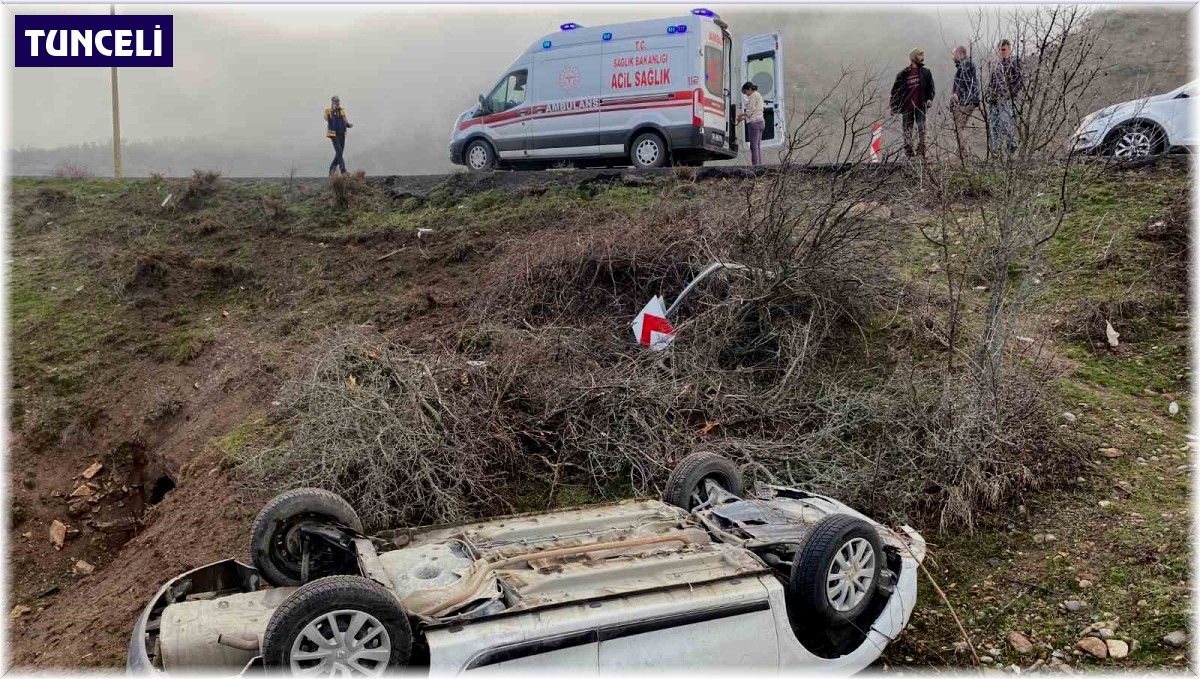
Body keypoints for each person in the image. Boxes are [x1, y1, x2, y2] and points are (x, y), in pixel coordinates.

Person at [889, 48, 935, 158]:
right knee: (907, 131)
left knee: (922, 129)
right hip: (907, 107)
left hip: (921, 105)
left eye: (923, 55)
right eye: (920, 55)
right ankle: (909, 155)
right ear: (913, 58)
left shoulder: (926, 72)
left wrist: (930, 99)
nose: (922, 58)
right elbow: (895, 91)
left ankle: (921, 153)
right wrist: (893, 106)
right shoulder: (902, 74)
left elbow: (931, 88)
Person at [985, 39, 1023, 153]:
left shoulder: (1014, 62)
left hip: (1006, 99)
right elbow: (992, 82)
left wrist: (1010, 94)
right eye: (1000, 50)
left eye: (1004, 49)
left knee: (1005, 122)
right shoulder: (997, 65)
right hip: (994, 99)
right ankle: (996, 149)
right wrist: (988, 94)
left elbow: (1019, 81)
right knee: (994, 125)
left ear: (1009, 49)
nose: (1002, 52)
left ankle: (1011, 145)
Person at [950, 45, 981, 159]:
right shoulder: (963, 65)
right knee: (958, 126)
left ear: (960, 54)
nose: (952, 57)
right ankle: (963, 153)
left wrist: (957, 95)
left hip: (967, 100)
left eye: (954, 55)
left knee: (958, 126)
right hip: (966, 100)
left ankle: (965, 153)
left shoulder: (966, 64)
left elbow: (964, 80)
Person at [736, 81, 766, 167]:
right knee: (758, 146)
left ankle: (755, 166)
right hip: (761, 122)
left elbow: (751, 110)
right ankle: (759, 165)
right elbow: (755, 112)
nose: (746, 95)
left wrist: (741, 114)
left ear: (749, 89)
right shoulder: (758, 95)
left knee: (753, 146)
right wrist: (742, 119)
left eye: (745, 92)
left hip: (755, 123)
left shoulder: (753, 95)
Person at [324, 96, 353, 175]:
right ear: (332, 102)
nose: (337, 103)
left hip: (342, 133)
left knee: (339, 153)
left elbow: (344, 119)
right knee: (339, 152)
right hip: (333, 134)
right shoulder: (328, 110)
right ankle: (343, 171)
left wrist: (348, 124)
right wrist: (333, 110)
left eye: (338, 101)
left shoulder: (341, 110)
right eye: (335, 101)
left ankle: (332, 169)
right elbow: (326, 118)